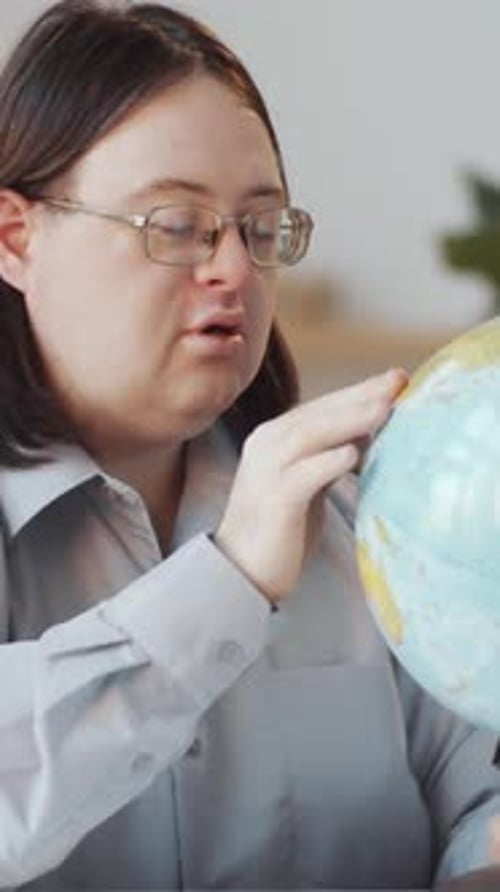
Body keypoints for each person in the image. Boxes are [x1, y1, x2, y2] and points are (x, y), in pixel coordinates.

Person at [0, 1, 498, 889]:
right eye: (175, 225)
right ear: (16, 237)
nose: (233, 269)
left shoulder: (374, 518)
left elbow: (475, 802)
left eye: (260, 229)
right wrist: (228, 583)